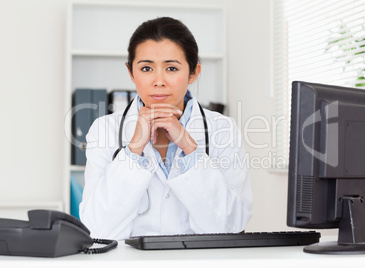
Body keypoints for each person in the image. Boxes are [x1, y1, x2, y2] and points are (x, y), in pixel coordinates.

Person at [79, 17, 253, 240]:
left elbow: (230, 227)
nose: (158, 81)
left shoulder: (223, 129)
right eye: (146, 68)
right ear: (131, 72)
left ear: (193, 72)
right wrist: (133, 150)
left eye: (171, 68)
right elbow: (97, 230)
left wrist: (190, 148)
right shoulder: (104, 130)